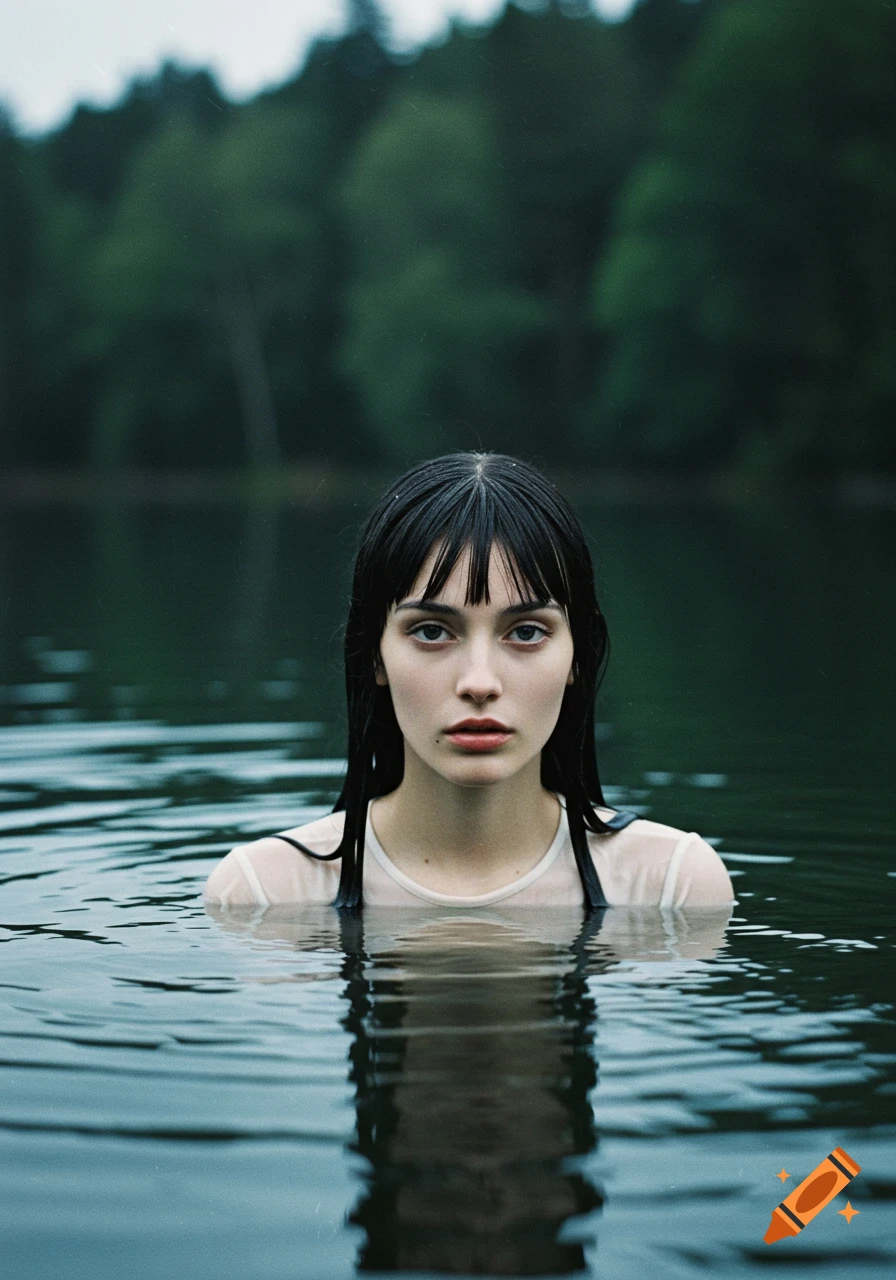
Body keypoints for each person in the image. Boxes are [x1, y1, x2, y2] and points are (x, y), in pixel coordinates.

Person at [204, 451, 734, 913]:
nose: (479, 682)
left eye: (526, 631)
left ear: (577, 655)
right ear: (375, 655)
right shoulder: (264, 893)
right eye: (432, 631)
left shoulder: (671, 886)